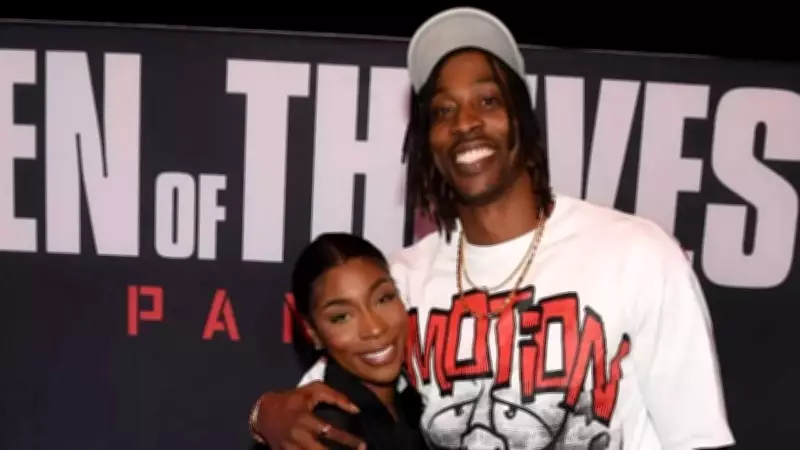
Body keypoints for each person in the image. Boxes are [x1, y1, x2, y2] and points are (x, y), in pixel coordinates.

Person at [249, 7, 736, 450]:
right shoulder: (403, 282)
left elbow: (696, 438)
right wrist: (263, 414)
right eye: (443, 110)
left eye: (487, 100)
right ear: (428, 141)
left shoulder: (636, 253)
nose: (465, 123)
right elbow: (310, 402)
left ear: (520, 119)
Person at [266, 232, 427, 450]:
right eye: (341, 317)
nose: (374, 328)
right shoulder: (327, 431)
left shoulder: (416, 398)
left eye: (384, 298)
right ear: (313, 332)